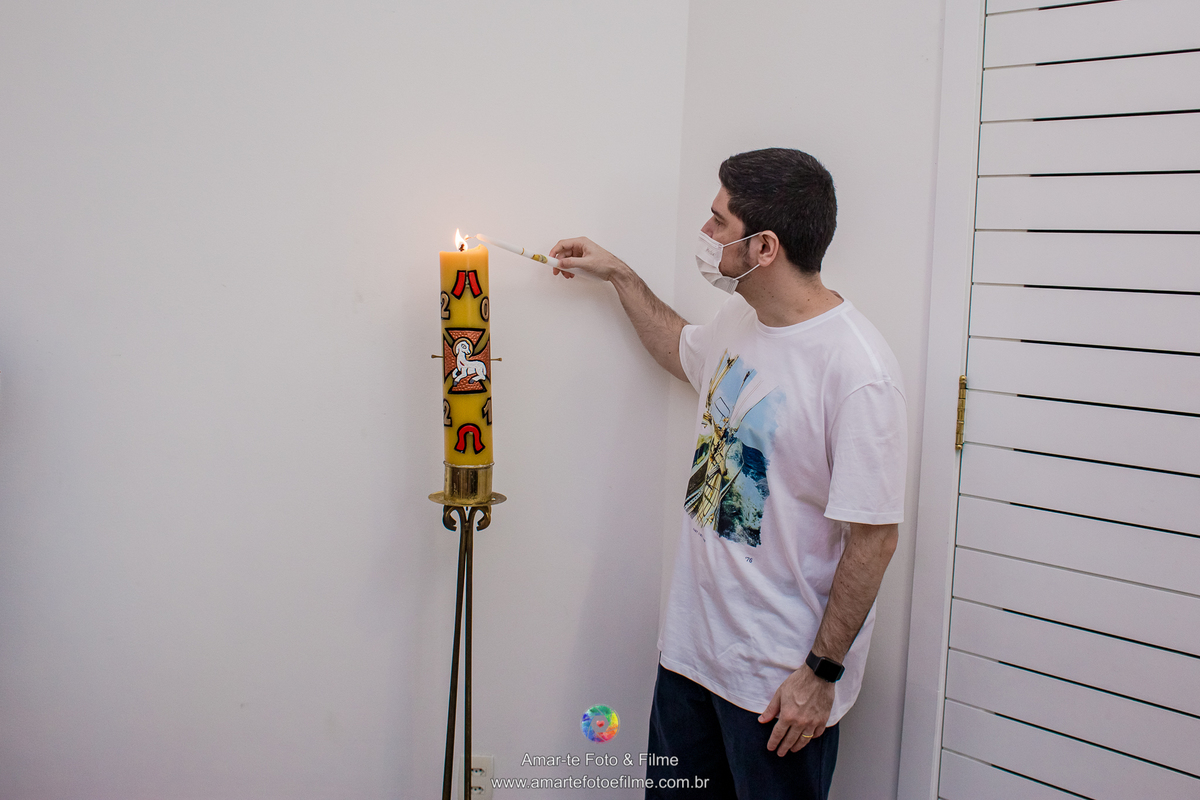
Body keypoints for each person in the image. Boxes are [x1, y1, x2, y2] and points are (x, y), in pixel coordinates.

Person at [549, 148, 906, 799]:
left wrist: (819, 675)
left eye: (718, 222)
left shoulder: (857, 373)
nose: (706, 235)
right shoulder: (742, 321)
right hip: (690, 657)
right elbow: (682, 350)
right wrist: (620, 276)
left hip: (776, 691)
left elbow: (874, 539)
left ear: (764, 246)